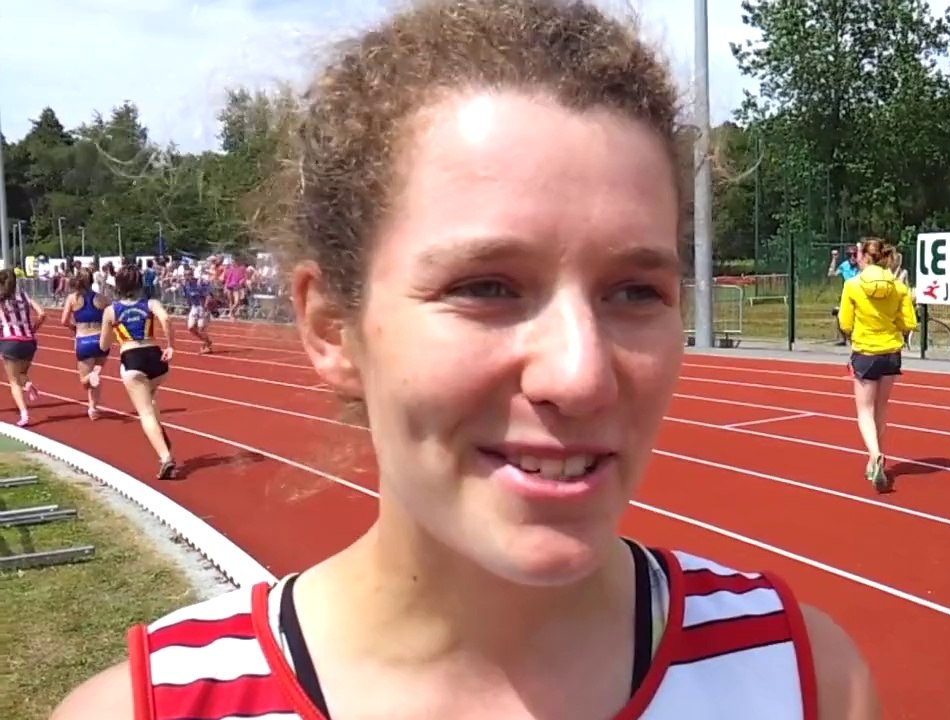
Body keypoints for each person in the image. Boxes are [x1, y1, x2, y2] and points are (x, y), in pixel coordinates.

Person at [52, 2, 880, 719]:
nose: (581, 375)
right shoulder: (156, 709)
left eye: (635, 292)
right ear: (334, 328)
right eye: (487, 285)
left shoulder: (805, 684)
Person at [837, 238, 917, 493]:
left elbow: (845, 322)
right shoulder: (898, 286)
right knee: (881, 409)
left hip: (865, 351)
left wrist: (854, 333)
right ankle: (876, 459)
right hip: (891, 352)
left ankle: (875, 455)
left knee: (864, 411)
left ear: (864, 257)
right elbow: (909, 323)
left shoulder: (852, 285)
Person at [97, 264, 177, 480]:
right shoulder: (150, 303)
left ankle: (165, 457)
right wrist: (171, 345)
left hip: (132, 360)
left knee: (145, 413)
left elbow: (104, 346)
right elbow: (166, 319)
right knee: (150, 400)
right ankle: (160, 435)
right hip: (157, 360)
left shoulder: (111, 311)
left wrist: (116, 331)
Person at [59, 268, 112, 419]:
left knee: (85, 380)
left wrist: (74, 328)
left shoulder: (72, 298)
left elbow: (63, 321)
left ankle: (90, 380)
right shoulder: (101, 298)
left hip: (84, 340)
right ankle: (93, 409)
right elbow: (115, 314)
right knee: (95, 372)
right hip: (101, 340)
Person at [0, 268, 46, 427]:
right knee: (22, 373)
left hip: (10, 341)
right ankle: (28, 384)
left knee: (13, 381)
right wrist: (33, 329)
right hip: (29, 341)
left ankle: (24, 414)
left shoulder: (1, 299)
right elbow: (42, 314)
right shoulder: (24, 296)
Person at [828, 243, 861, 343]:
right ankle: (843, 338)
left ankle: (856, 337)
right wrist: (834, 259)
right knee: (840, 315)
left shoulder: (861, 266)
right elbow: (831, 274)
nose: (852, 258)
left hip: (859, 295)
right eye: (849, 255)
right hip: (847, 295)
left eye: (854, 255)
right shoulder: (844, 265)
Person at [181, 272, 214, 353]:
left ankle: (208, 346)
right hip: (194, 307)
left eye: (187, 275)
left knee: (201, 328)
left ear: (191, 275)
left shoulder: (199, 283)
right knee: (191, 327)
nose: (186, 277)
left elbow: (208, 295)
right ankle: (207, 341)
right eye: (185, 275)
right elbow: (187, 297)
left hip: (202, 307)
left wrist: (205, 307)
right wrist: (189, 308)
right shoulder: (185, 285)